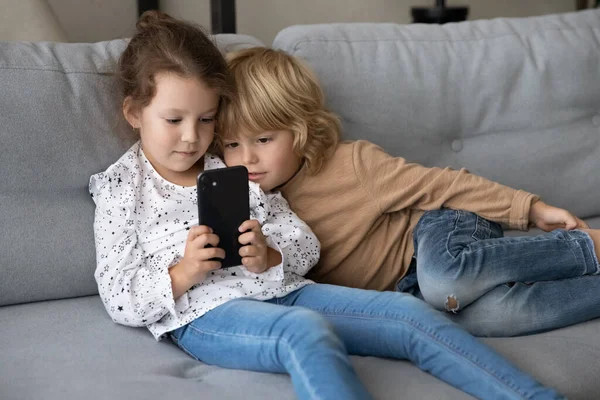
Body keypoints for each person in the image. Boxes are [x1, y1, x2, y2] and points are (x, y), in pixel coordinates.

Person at [89, 11, 565, 400]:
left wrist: (270, 254)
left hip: (283, 288)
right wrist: (182, 273)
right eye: (173, 119)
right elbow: (117, 293)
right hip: (205, 314)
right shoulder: (120, 189)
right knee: (305, 332)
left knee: (411, 316)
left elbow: (302, 241)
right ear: (135, 112)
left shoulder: (227, 166)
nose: (192, 136)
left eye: (206, 118)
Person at [217, 46, 600, 339]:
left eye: (263, 139)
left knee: (444, 280)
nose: (246, 158)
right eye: (232, 145)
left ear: (300, 130)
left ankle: (587, 246)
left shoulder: (352, 164)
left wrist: (532, 210)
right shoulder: (245, 202)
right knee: (494, 316)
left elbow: (445, 185)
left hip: (439, 231)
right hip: (411, 291)